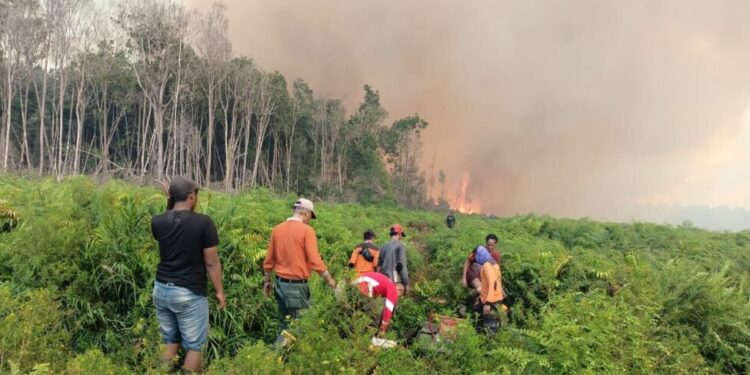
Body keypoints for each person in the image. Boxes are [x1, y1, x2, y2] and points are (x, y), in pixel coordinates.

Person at [151, 176, 225, 373]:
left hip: (161, 290)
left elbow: (172, 219)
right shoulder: (204, 223)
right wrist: (219, 292)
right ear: (192, 196)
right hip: (189, 293)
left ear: (172, 197)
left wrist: (170, 198)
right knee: (194, 346)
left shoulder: (157, 221)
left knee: (169, 341)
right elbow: (211, 262)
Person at [263, 198, 337, 345]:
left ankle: (283, 362)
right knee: (299, 325)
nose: (310, 219)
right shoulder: (307, 231)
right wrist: (330, 280)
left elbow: (269, 260)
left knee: (286, 323)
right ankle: (271, 359)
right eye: (310, 216)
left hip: (279, 284)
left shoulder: (277, 229)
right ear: (307, 213)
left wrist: (267, 281)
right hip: (295, 287)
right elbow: (315, 261)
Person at [352, 272, 399, 336]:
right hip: (364, 285)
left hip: (357, 281)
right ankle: (365, 336)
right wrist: (383, 329)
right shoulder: (393, 290)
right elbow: (388, 308)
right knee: (372, 314)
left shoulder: (386, 282)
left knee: (358, 310)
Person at [472, 246, 504, 334]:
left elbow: (492, 283)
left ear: (480, 255)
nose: (476, 258)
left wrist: (488, 303)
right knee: (493, 324)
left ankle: (491, 344)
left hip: (491, 301)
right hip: (496, 299)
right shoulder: (495, 264)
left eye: (476, 255)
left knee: (491, 326)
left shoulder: (487, 265)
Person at [377, 224, 410, 296]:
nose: (401, 237)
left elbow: (378, 266)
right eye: (401, 235)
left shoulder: (383, 246)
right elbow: (402, 266)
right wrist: (406, 283)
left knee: (385, 304)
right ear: (399, 234)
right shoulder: (400, 245)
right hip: (394, 281)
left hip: (382, 280)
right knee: (393, 303)